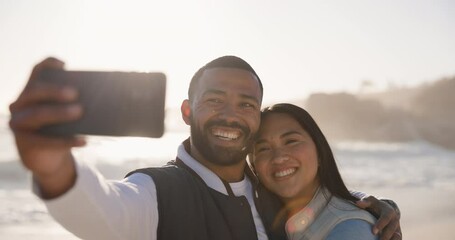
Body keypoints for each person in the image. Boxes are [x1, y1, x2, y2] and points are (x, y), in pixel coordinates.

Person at [9, 56, 401, 240]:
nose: (231, 115)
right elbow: (106, 211)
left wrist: (368, 204)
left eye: (246, 105)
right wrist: (55, 168)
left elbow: (321, 207)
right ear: (186, 111)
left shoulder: (269, 193)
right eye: (215, 100)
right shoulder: (159, 192)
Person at [252, 103, 402, 240]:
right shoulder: (262, 215)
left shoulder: (350, 229)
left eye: (291, 141)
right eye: (263, 148)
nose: (278, 158)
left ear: (320, 152)